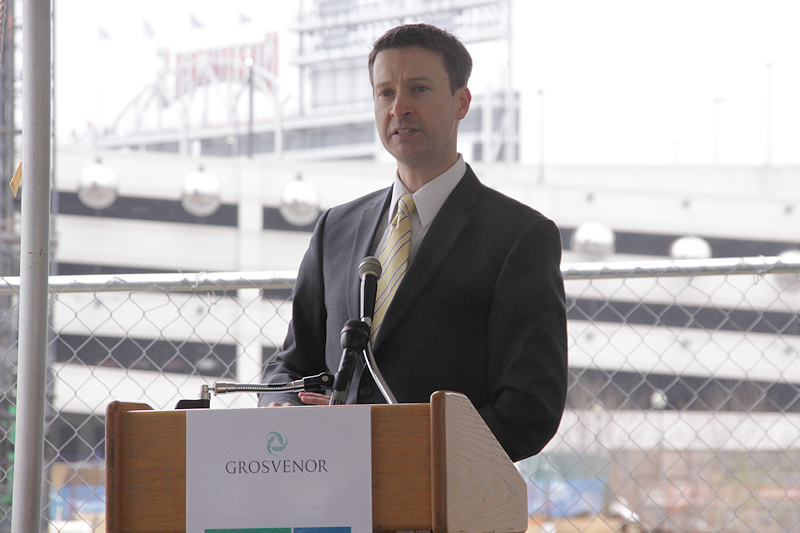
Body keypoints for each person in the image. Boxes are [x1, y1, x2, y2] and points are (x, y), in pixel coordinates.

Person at [258, 23, 568, 462]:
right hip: (328, 486)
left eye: (418, 89)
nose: (398, 108)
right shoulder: (335, 229)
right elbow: (291, 364)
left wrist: (394, 447)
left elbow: (529, 408)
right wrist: (281, 407)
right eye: (385, 93)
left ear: (462, 102)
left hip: (440, 491)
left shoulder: (520, 236)